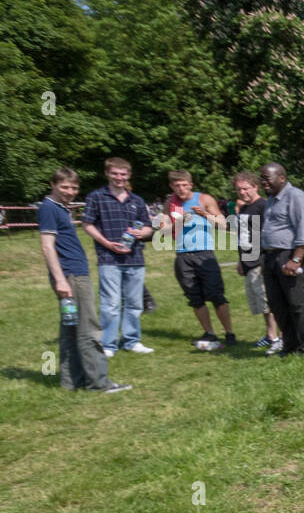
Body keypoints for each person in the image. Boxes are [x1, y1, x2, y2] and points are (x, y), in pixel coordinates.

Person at [37, 167, 130, 392]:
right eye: (65, 187)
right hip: (72, 277)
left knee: (70, 329)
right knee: (89, 330)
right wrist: (60, 280)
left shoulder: (60, 208)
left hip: (72, 275)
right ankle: (99, 382)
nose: (70, 192)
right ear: (53, 184)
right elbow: (47, 246)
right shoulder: (49, 208)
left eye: (74, 187)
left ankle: (72, 381)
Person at [80, 157, 155, 357]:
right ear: (107, 173)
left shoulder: (136, 200)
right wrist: (106, 243)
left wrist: (144, 233)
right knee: (110, 304)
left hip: (135, 258)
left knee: (134, 303)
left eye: (123, 174)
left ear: (128, 175)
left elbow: (148, 226)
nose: (119, 178)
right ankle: (108, 344)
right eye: (115, 173)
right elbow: (87, 224)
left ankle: (131, 341)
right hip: (108, 258)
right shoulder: (96, 197)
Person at [164, 170, 236, 351]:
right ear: (172, 187)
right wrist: (176, 223)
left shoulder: (204, 199)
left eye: (184, 185)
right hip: (182, 255)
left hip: (204, 254)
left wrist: (204, 214)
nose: (181, 189)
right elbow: (163, 230)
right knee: (194, 297)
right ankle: (209, 332)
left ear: (190, 184)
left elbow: (223, 224)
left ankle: (229, 333)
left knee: (216, 295)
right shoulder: (170, 203)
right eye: (176, 185)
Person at [259, 163, 304, 355]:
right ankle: (290, 345)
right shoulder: (271, 200)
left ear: (282, 178)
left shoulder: (296, 197)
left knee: (298, 303)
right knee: (278, 304)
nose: (263, 182)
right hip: (271, 257)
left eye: (267, 178)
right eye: (262, 178)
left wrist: (296, 259)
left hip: (291, 255)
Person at [232, 171, 282, 353]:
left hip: (260, 263)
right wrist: (241, 260)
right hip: (248, 262)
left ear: (255, 187)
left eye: (245, 188)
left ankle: (281, 338)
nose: (242, 192)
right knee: (262, 305)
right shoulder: (244, 209)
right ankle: (270, 335)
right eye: (239, 189)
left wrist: (264, 262)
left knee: (270, 303)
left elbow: (267, 236)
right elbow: (244, 237)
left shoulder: (263, 206)